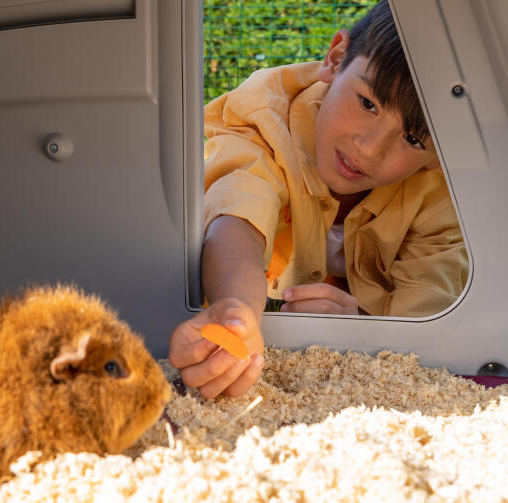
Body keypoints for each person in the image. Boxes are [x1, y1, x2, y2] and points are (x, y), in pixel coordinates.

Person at [169, 0, 468, 399]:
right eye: (367, 104)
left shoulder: (442, 190)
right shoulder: (262, 119)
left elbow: (433, 313)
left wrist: (361, 325)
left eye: (413, 139)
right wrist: (236, 309)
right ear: (336, 57)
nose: (369, 148)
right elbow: (236, 215)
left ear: (436, 151)